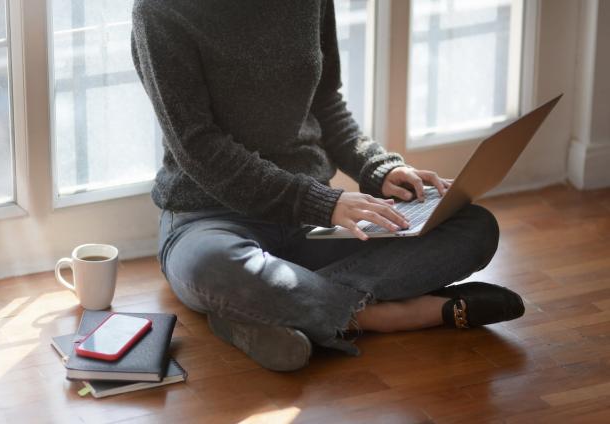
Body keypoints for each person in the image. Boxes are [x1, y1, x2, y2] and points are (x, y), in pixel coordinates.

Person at [131, 0, 525, 371]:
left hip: (310, 223)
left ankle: (275, 311)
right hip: (209, 219)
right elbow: (199, 148)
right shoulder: (160, 12)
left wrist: (379, 167)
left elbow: (325, 104)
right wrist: (321, 201)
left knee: (473, 227)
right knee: (212, 267)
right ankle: (391, 315)